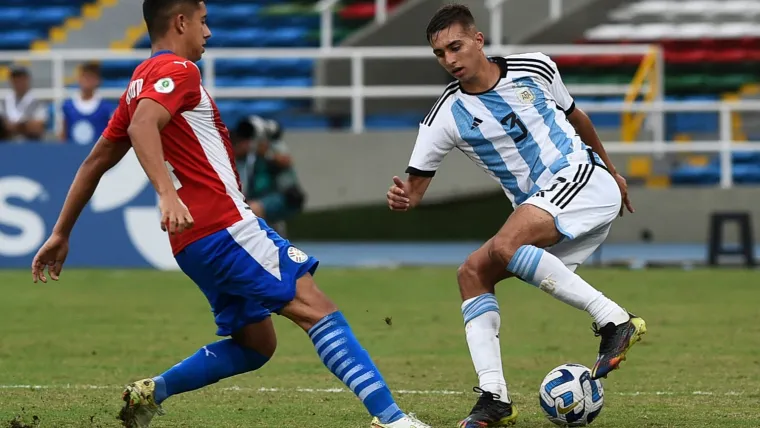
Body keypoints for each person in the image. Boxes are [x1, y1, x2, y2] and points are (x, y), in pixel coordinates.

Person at [30, 1, 430, 428]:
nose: (208, 33)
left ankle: (153, 391)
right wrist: (167, 194)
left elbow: (95, 161)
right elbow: (142, 127)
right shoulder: (179, 71)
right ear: (180, 21)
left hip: (192, 243)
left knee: (256, 344)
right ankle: (391, 419)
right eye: (203, 22)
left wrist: (61, 232)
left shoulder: (137, 84)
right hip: (224, 227)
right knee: (318, 309)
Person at [385, 4, 647, 427]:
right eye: (439, 54)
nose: (450, 59)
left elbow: (576, 117)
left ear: (478, 40)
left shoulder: (535, 67)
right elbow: (414, 190)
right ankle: (494, 397)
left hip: (582, 178)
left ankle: (615, 320)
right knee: (472, 273)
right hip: (543, 208)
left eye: (455, 47)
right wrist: (403, 199)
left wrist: (612, 170)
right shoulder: (443, 118)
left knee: (507, 244)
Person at [234, 116, 306, 227]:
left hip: (281, 195)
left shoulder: (272, 145)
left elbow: (286, 161)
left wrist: (265, 152)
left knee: (253, 208)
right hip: (253, 196)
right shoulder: (242, 155)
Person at [60, 62, 116, 146]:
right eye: (85, 77)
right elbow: (62, 136)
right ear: (79, 79)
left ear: (98, 81)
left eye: (91, 77)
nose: (87, 80)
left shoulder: (106, 108)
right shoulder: (67, 106)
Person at [0, 66, 48, 141]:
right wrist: (25, 125)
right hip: (7, 147)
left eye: (21, 79)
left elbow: (37, 127)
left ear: (27, 80)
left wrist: (12, 127)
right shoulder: (4, 102)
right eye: (15, 79)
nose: (18, 82)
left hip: (30, 146)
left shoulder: (37, 101)